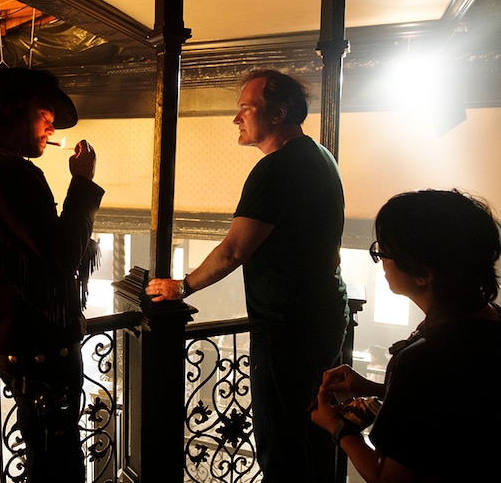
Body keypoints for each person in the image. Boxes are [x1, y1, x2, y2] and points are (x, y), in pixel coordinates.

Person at [145, 68, 349, 482]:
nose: (236, 119)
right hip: (324, 315)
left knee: (281, 446)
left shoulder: (276, 169)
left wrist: (180, 287)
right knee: (314, 434)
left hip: (286, 327)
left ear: (278, 112)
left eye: (245, 108)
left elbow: (234, 250)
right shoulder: (320, 156)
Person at [0, 67, 104, 483]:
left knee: (45, 457)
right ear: (13, 109)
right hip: (39, 350)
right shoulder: (4, 171)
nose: (50, 124)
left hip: (9, 345)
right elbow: (63, 255)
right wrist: (83, 185)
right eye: (43, 112)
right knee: (57, 466)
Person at [311, 189, 501, 483]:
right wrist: (379, 388)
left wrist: (337, 427)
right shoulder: (491, 318)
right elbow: (458, 406)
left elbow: (388, 478)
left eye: (383, 252)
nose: (381, 262)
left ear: (423, 274)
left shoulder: (423, 359)